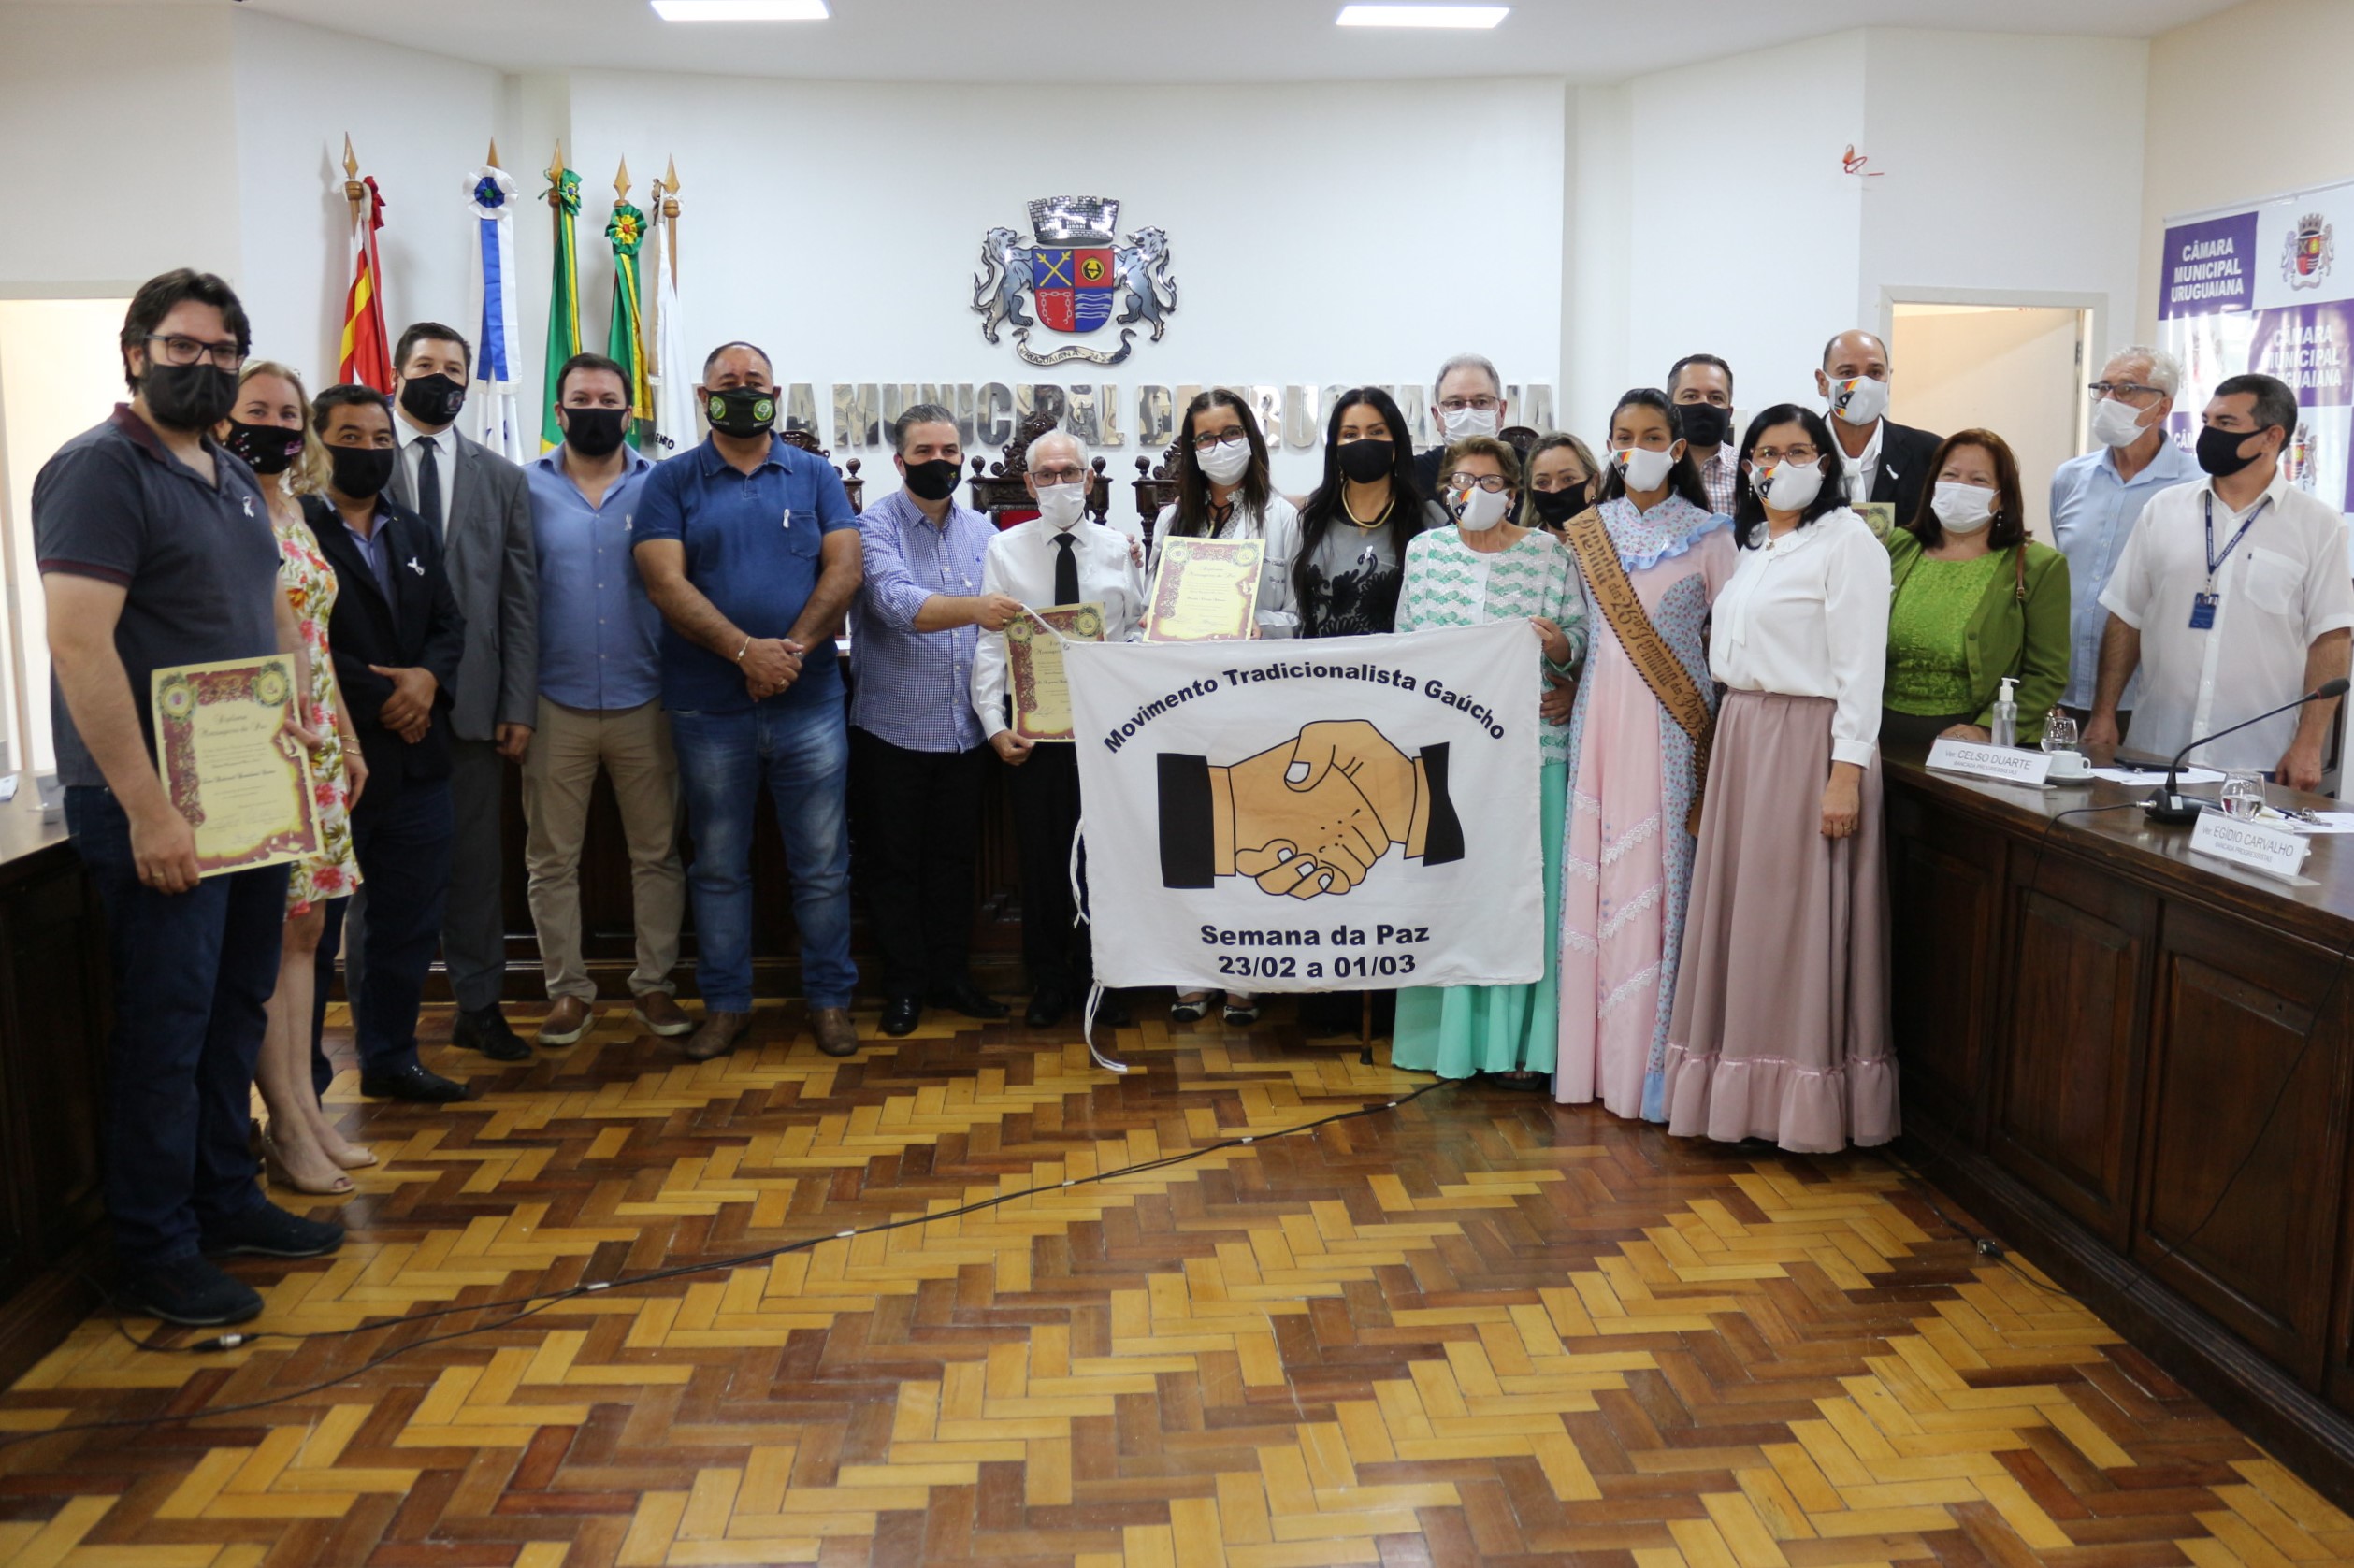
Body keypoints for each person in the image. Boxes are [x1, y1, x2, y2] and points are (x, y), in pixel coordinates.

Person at [36, 270, 346, 1324]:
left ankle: (226, 1198)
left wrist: (303, 725)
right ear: (135, 352)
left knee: (231, 1012)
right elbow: (79, 647)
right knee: (164, 1032)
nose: (202, 366)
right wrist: (149, 810)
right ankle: (156, 1248)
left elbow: (268, 622)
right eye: (182, 347)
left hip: (250, 795)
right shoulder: (97, 470)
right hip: (155, 808)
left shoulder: (222, 473)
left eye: (222, 351)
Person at [1661, 404, 1895, 1154]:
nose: (1776, 464)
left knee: (1793, 922)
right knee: (1743, 915)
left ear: (1823, 463)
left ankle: (1799, 1097)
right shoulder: (1756, 544)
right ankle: (1735, 1090)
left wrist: (1844, 773)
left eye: (1796, 450)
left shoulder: (1847, 542)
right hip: (1743, 738)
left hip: (1807, 742)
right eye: (1763, 451)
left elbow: (1861, 669)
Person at [634, 341, 863, 1060]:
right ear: (703, 397)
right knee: (718, 864)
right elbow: (664, 582)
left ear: (775, 391)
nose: (741, 390)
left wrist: (786, 653)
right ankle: (727, 1004)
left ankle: (829, 1000)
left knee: (823, 863)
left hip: (809, 699)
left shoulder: (815, 474)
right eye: (726, 383)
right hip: (708, 705)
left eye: (753, 381)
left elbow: (845, 567)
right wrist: (744, 651)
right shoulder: (670, 481)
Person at [1552, 390, 1736, 1123]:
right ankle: (1587, 1066)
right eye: (1624, 436)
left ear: (1677, 444)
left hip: (1672, 731)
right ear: (1610, 445)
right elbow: (1575, 634)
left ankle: (1647, 1073)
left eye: (1653, 434)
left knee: (1660, 882)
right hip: (1597, 724)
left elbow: (1732, 645)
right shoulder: (1583, 532)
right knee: (1596, 885)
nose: (1639, 447)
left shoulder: (1710, 534)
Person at [219, 361, 375, 1195]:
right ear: (222, 417)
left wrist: (345, 741)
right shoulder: (221, 503)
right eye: (258, 410)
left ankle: (309, 1111)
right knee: (273, 936)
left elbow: (314, 640)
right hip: (259, 745)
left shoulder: (296, 512)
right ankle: (284, 1123)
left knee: (311, 934)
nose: (276, 425)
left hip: (314, 742)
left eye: (288, 412)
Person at [1390, 437, 1581, 1083]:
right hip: (1449, 759)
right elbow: (1405, 649)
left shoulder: (1548, 555)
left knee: (1525, 895)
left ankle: (1524, 1047)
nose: (1477, 491)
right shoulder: (1425, 553)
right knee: (1449, 895)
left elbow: (1577, 645)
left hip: (1531, 755)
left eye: (1493, 480)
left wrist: (1561, 649)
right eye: (1464, 479)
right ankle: (1448, 1041)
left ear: (1514, 490)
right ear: (1446, 487)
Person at [307, 384, 470, 1106]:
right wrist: (390, 697)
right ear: (318, 443)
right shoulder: (295, 531)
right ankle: (303, 1082)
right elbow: (300, 644)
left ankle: (391, 1058)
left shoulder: (413, 530)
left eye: (379, 440)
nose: (368, 451)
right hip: (335, 766)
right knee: (315, 937)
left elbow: (449, 625)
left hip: (417, 764)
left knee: (407, 924)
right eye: (351, 436)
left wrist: (428, 682)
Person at [521, 352, 690, 1047]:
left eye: (608, 398)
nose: (596, 409)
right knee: (550, 859)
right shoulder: (521, 488)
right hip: (551, 702)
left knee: (655, 854)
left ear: (629, 411)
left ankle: (653, 984)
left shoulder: (663, 485)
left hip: (646, 698)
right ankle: (567, 991)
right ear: (559, 413)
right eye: (580, 399)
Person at [385, 322, 538, 1062]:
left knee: (476, 872)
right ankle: (388, 1029)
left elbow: (517, 600)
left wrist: (516, 705)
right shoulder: (351, 463)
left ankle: (480, 1006)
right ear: (396, 372)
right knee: (380, 877)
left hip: (473, 710)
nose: (439, 378)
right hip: (377, 710)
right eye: (424, 365)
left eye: (453, 368)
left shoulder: (501, 478)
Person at [2087, 373, 2354, 786]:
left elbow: (2331, 640)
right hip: (2155, 751)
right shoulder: (2165, 508)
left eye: (2226, 424)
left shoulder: (2318, 525)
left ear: (2271, 437)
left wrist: (2310, 744)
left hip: (2257, 760)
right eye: (2208, 421)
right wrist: (2104, 713)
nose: (2209, 433)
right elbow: (2126, 615)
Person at [850, 402, 1020, 1038]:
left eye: (949, 451)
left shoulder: (986, 532)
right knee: (893, 866)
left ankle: (951, 977)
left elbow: (1020, 612)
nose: (939, 462)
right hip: (892, 730)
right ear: (899, 461)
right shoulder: (874, 527)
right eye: (924, 453)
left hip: (966, 732)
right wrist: (977, 608)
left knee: (954, 865)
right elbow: (895, 603)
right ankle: (904, 987)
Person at [972, 429, 1147, 1030]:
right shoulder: (1005, 551)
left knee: (1111, 862)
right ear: (1027, 483)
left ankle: (1108, 980)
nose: (1058, 484)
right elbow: (992, 643)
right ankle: (1049, 982)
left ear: (1090, 479)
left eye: (1069, 471)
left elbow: (1141, 635)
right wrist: (994, 725)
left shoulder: (1120, 550)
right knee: (1044, 864)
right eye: (1045, 474)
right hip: (1036, 737)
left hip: (1112, 735)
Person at [1151, 389, 1304, 1029]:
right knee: (1191, 839)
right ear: (1190, 449)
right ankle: (1194, 967)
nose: (1218, 447)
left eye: (1229, 432)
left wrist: (1250, 625)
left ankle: (1245, 972)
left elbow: (1299, 619)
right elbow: (1150, 608)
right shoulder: (1166, 521)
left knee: (1252, 839)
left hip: (1257, 703)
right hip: (1188, 703)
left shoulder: (1280, 516)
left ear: (1252, 436)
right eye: (1205, 438)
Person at [1880, 430, 2070, 750]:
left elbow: (2046, 674)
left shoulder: (2039, 565)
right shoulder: (1897, 545)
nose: (1960, 488)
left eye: (1978, 480)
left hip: (1970, 744)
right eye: (1950, 475)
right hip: (1881, 733)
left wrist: (1985, 730)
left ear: (2001, 496)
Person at [2050, 347, 2200, 737]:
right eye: (2104, 388)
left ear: (2162, 407)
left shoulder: (2196, 486)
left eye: (2127, 389)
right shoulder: (2070, 478)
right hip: (2060, 694)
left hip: (2145, 698)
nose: (2110, 400)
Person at [1293, 387, 1427, 640]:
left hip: (1394, 674)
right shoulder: (1312, 517)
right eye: (1350, 434)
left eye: (1376, 432)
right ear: (1335, 447)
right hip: (1318, 671)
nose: (1363, 441)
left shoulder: (1426, 519)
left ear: (1396, 442)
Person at [1816, 330, 1941, 524]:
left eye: (1875, 372)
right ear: (1822, 382)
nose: (1863, 384)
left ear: (1888, 379)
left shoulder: (1930, 453)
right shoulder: (1797, 455)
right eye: (1848, 373)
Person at [1413, 353, 1510, 496]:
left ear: (1501, 412)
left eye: (1481, 401)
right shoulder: (1414, 477)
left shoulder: (1532, 474)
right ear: (1436, 415)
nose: (1468, 414)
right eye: (1455, 403)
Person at [1667, 353, 1740, 515]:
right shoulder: (1649, 469)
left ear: (1729, 412)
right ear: (1669, 407)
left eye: (1715, 397)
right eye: (1691, 396)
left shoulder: (1747, 473)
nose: (1704, 404)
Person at [1524, 433, 1600, 535]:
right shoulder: (1519, 548)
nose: (1554, 490)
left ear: (1593, 483)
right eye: (1542, 482)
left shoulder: (1622, 545)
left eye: (1568, 479)